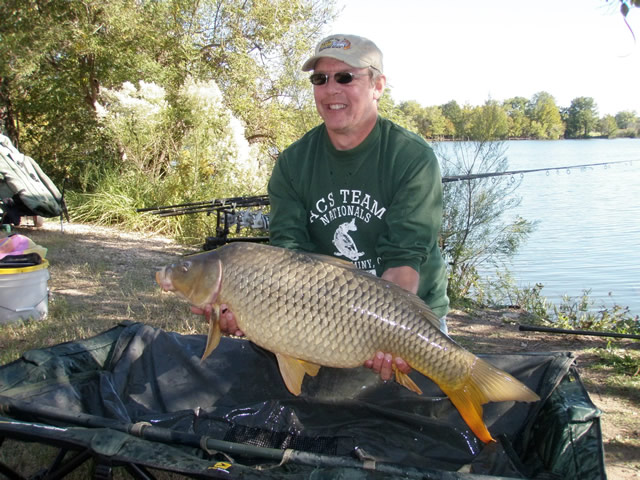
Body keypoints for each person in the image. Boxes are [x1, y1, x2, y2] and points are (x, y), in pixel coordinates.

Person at [196, 34, 449, 383]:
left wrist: (394, 337)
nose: (331, 89)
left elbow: (404, 258)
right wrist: (247, 311)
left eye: (345, 77)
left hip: (409, 320)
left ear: (378, 85)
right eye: (320, 79)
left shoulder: (411, 158)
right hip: (319, 318)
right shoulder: (293, 163)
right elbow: (287, 254)